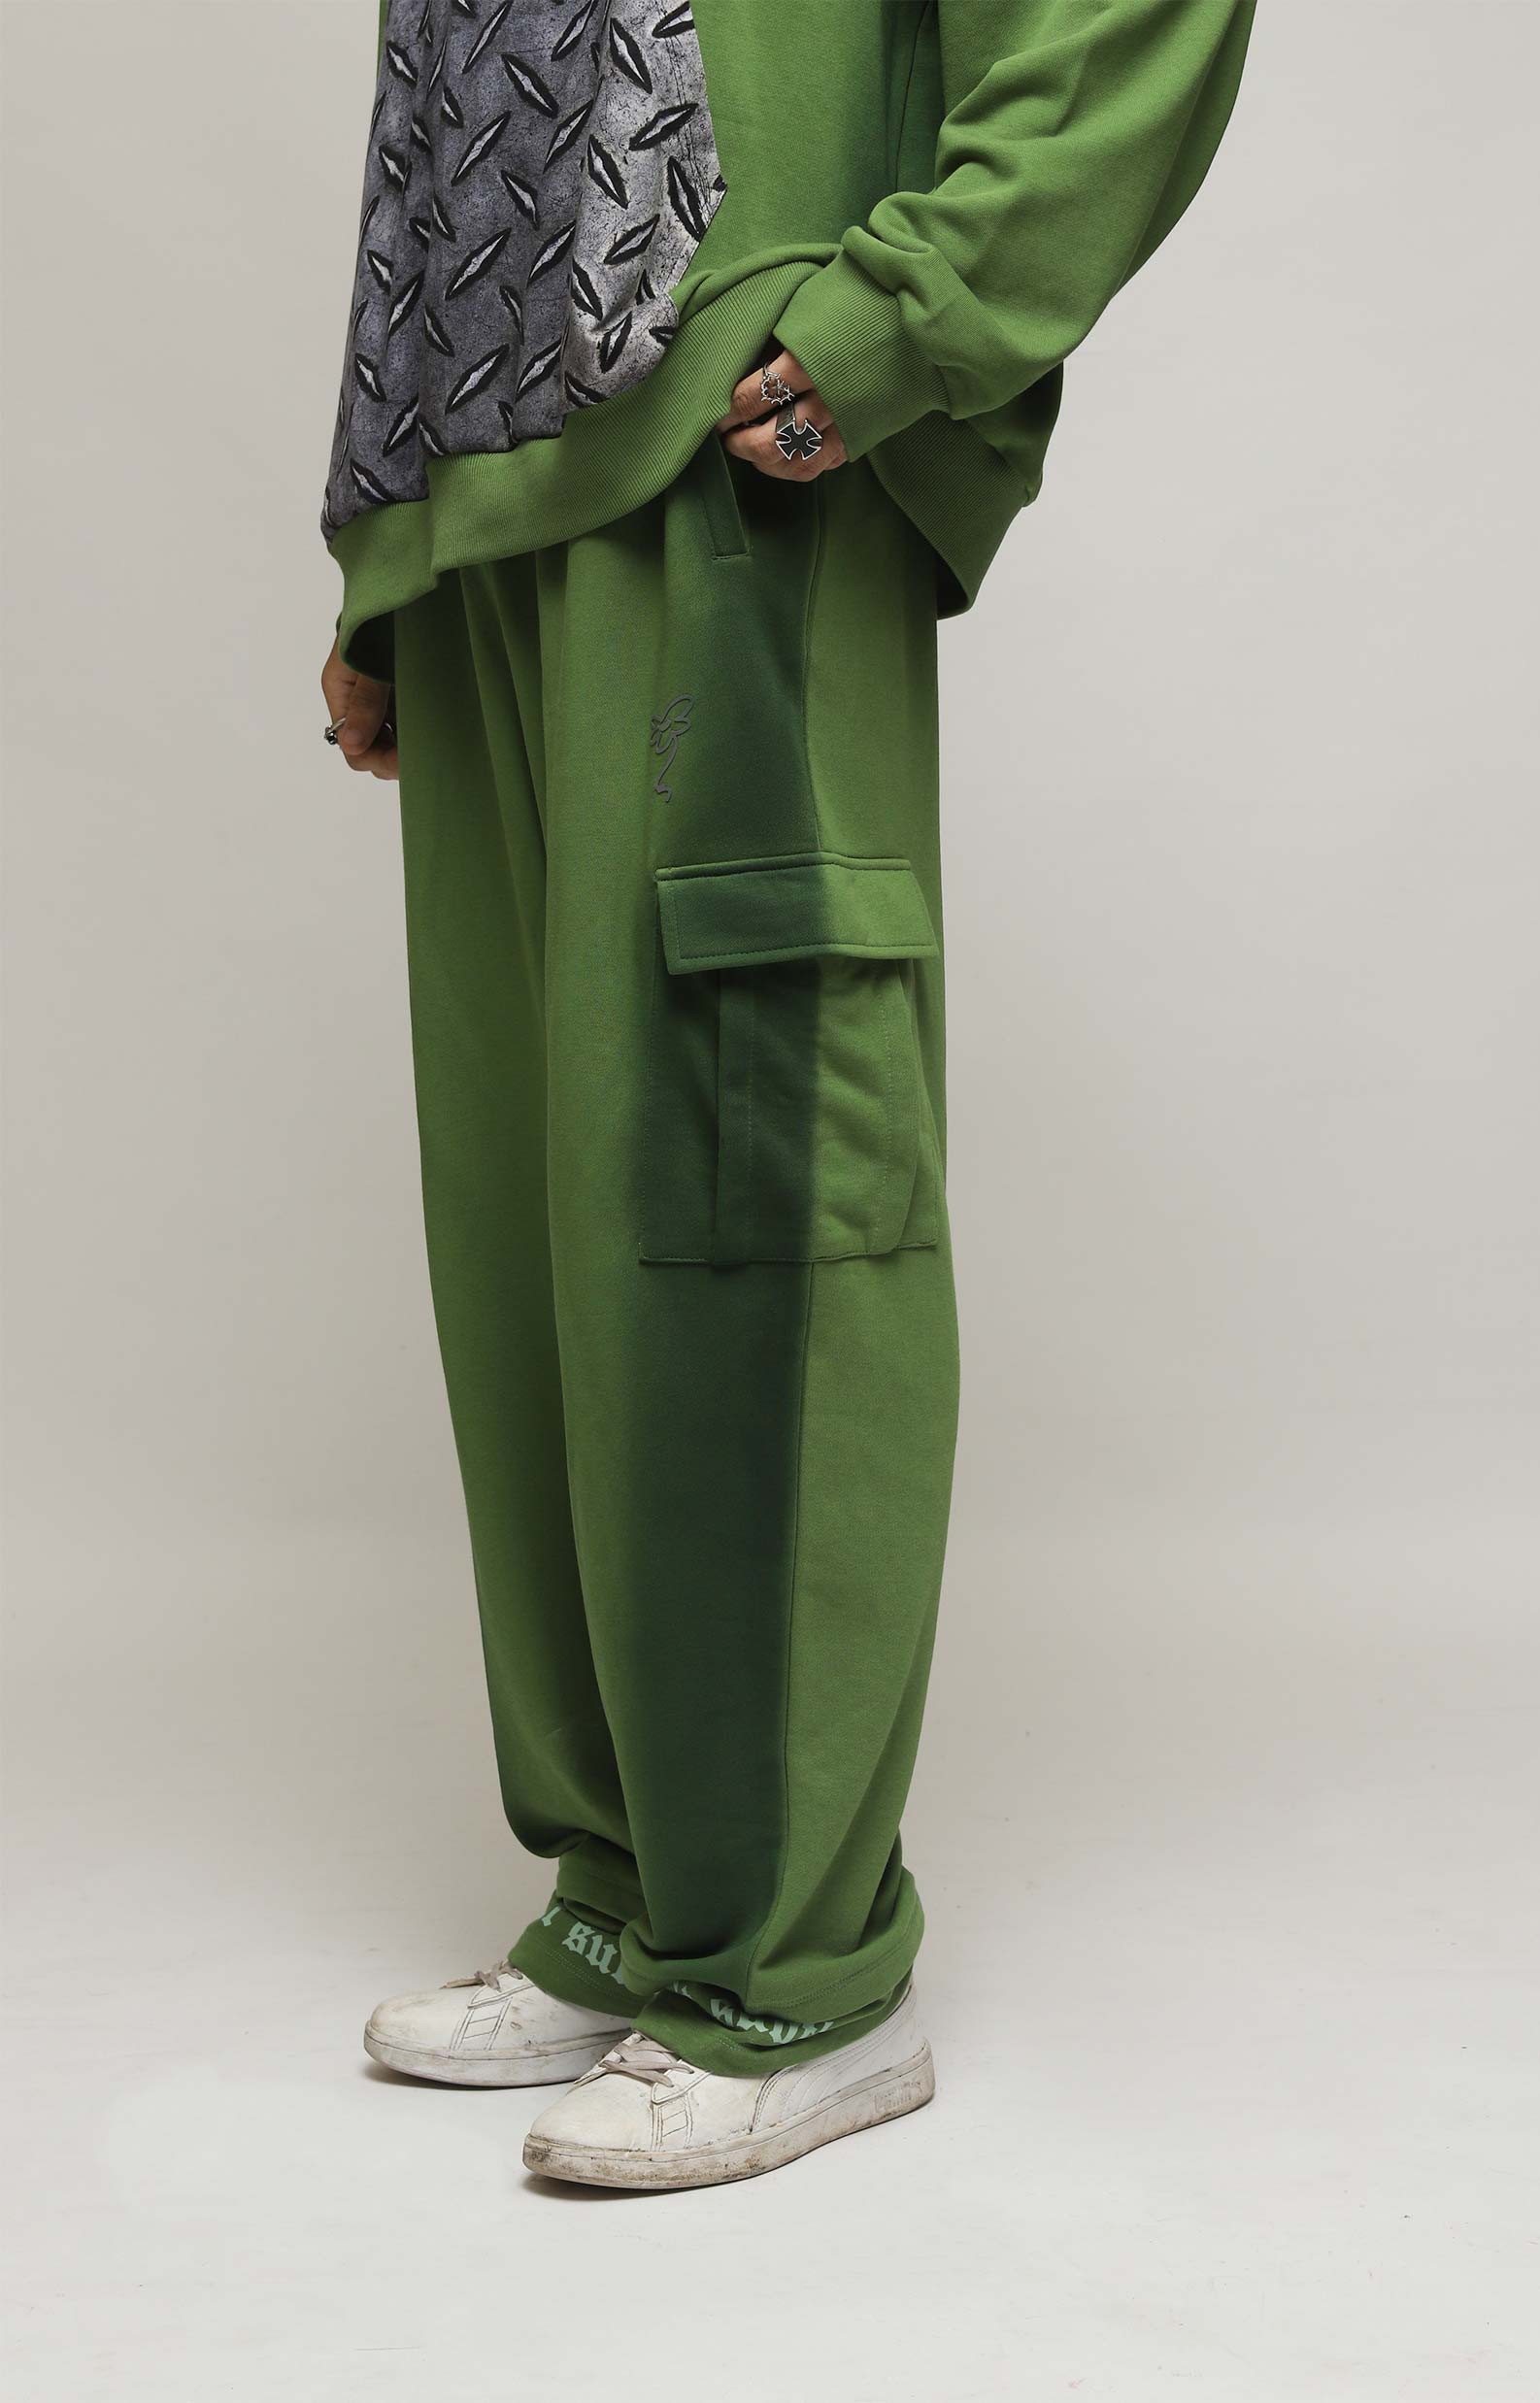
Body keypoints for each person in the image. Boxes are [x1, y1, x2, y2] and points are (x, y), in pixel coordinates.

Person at [318, 0, 1255, 2191]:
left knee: (739, 1174)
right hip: (487, 494)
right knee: (542, 1228)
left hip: (728, 447)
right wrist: (388, 549)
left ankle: (793, 1970)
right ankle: (633, 1890)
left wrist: (903, 319)